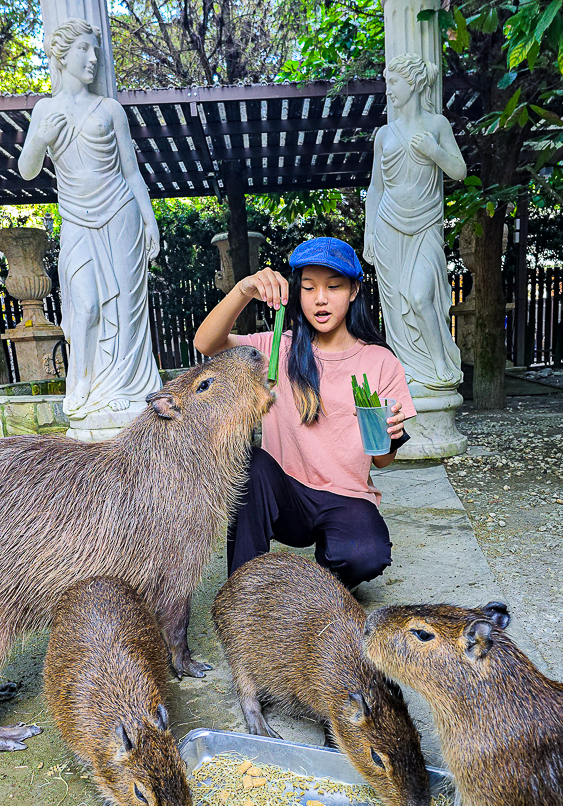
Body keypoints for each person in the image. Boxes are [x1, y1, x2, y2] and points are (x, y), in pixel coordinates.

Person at [194, 237, 416, 589]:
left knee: (368, 554)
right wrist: (243, 289)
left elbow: (382, 462)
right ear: (297, 293)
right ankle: (242, 594)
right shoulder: (276, 347)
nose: (321, 298)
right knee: (250, 463)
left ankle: (321, 575)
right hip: (286, 496)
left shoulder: (380, 361)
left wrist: (390, 436)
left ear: (354, 291)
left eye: (334, 286)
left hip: (347, 496)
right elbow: (206, 343)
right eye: (309, 287)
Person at [18, 18, 161, 421]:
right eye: (85, 49)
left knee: (127, 305)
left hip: (120, 212)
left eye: (96, 51)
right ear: (63, 55)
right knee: (85, 306)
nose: (94, 58)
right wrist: (41, 138)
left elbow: (132, 173)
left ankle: (121, 383)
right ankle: (80, 380)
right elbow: (27, 169)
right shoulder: (46, 109)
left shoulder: (110, 109)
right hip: (76, 219)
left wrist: (150, 221)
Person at [363, 53, 466, 390]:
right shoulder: (384, 134)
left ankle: (438, 362)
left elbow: (459, 171)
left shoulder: (437, 125)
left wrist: (435, 151)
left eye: (393, 82)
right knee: (395, 307)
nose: (388, 89)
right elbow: (376, 187)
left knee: (421, 296)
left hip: (425, 226)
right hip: (388, 226)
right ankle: (406, 367)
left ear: (413, 83)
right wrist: (368, 236)